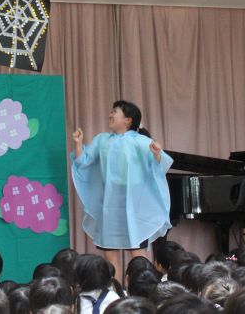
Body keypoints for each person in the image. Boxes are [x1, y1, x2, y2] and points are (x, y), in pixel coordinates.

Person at [70, 100, 173, 282]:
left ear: (128, 120)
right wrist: (78, 144)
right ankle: (117, 293)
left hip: (134, 207)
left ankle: (142, 290)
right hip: (109, 206)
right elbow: (82, 162)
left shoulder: (141, 141)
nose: (110, 114)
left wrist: (157, 154)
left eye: (115, 112)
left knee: (138, 257)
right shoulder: (102, 140)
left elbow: (159, 166)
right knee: (110, 258)